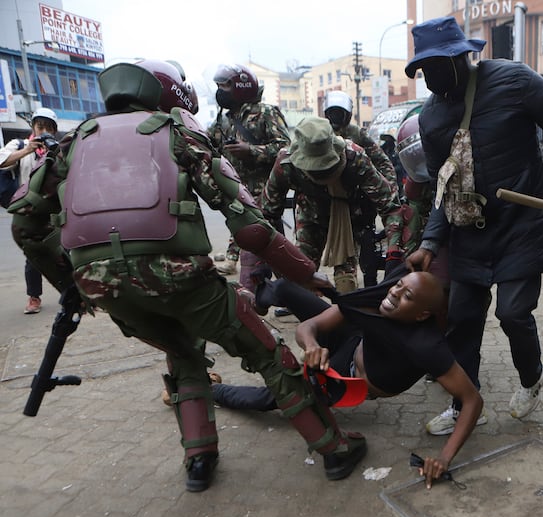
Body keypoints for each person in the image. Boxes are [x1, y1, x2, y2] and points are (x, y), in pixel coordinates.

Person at [8, 59, 365, 492]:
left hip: (104, 286)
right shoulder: (178, 134)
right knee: (269, 353)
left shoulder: (74, 142)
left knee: (181, 351)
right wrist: (306, 275)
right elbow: (250, 226)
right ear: (171, 94)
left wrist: (71, 284)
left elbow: (24, 223)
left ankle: (199, 460)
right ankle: (333, 448)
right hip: (180, 279)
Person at [403, 17, 543, 435]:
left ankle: (532, 377)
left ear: (463, 58)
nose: (431, 78)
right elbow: (445, 184)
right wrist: (430, 241)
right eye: (423, 70)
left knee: (513, 312)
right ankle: (466, 403)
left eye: (438, 66)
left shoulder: (513, 80)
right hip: (469, 232)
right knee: (462, 320)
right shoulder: (431, 119)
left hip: (522, 224)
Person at [212, 269, 484, 488]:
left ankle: (212, 390)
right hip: (349, 341)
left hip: (345, 380)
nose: (394, 293)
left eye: (407, 295)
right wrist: (311, 345)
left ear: (422, 314)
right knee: (284, 288)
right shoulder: (379, 299)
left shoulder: (427, 346)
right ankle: (256, 297)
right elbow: (311, 326)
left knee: (277, 396)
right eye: (398, 285)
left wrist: (444, 458)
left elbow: (472, 400)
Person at [262, 116, 404, 294]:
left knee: (346, 283)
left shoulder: (355, 159)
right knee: (300, 277)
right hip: (310, 216)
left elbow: (390, 207)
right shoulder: (286, 164)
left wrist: (393, 253)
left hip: (349, 218)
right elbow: (268, 215)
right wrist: (272, 259)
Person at [207, 64, 291, 284]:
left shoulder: (265, 112)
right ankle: (257, 294)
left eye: (224, 86)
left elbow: (285, 148)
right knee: (250, 243)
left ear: (241, 87)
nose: (220, 91)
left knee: (273, 245)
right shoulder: (222, 120)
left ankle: (293, 291)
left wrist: (251, 151)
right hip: (237, 191)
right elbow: (206, 145)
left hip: (265, 193)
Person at [323, 90, 397, 287]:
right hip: (327, 202)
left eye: (339, 113)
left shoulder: (357, 135)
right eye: (332, 113)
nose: (335, 118)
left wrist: (386, 188)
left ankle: (364, 290)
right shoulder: (321, 134)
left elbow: (383, 162)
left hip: (357, 202)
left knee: (362, 249)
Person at [0, 107, 59, 314]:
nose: (44, 132)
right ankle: (34, 297)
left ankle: (71, 293)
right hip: (28, 208)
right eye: (40, 127)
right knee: (32, 256)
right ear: (33, 128)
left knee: (64, 251)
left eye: (49, 129)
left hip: (54, 208)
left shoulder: (58, 148)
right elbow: (1, 161)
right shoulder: (20, 145)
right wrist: (28, 150)